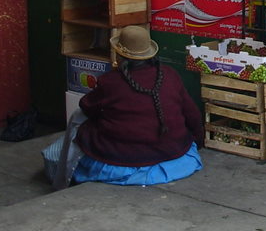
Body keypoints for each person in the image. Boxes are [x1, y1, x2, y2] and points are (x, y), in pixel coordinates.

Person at [71, 26, 204, 185]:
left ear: (119, 56)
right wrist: (198, 141)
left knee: (82, 127)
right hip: (172, 152)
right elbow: (192, 114)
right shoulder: (170, 74)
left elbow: (86, 105)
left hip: (122, 158)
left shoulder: (110, 81)